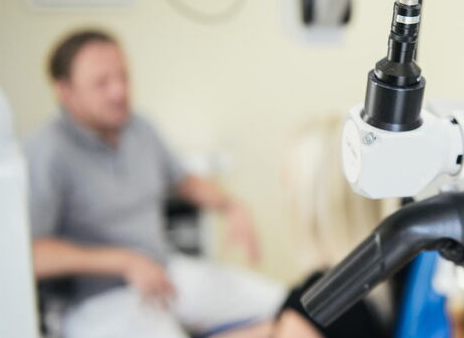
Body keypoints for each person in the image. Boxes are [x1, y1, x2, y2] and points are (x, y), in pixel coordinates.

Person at [26, 30, 286, 338]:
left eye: (123, 77)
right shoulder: (46, 150)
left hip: (164, 272)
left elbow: (184, 182)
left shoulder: (140, 128)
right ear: (65, 91)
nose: (119, 91)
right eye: (102, 83)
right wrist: (124, 261)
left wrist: (232, 206)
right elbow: (31, 254)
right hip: (99, 301)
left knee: (291, 307)